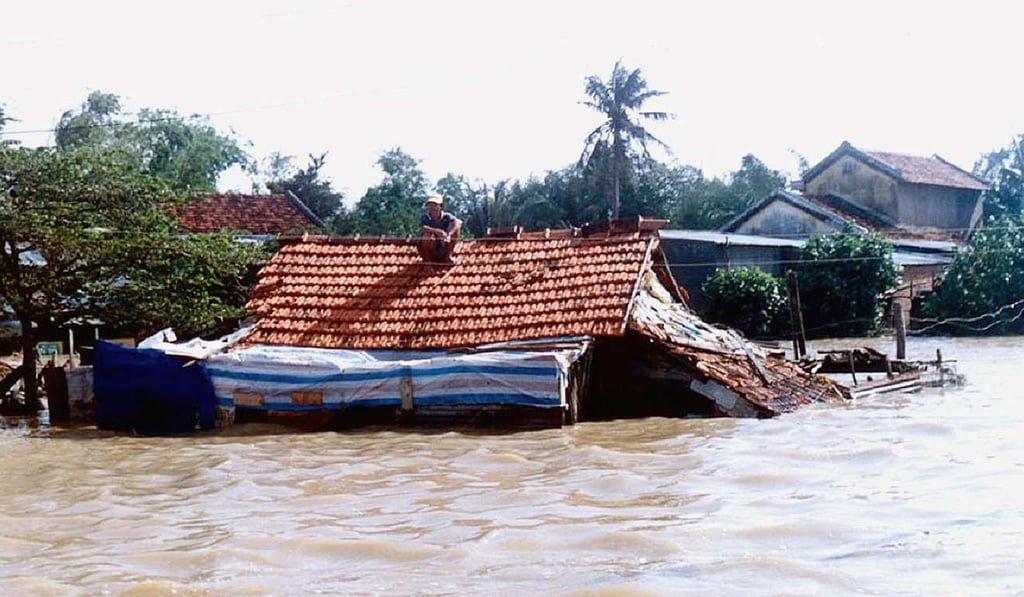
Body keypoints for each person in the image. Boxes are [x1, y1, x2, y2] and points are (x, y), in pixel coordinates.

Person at [418, 194, 462, 263]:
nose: (432, 207)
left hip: (444, 246)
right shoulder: (425, 217)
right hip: (431, 248)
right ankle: (428, 262)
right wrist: (438, 232)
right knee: (427, 236)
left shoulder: (447, 216)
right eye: (430, 205)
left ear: (440, 206)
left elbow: (458, 223)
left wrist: (448, 235)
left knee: (456, 230)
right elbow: (422, 228)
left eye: (435, 205)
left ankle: (447, 257)